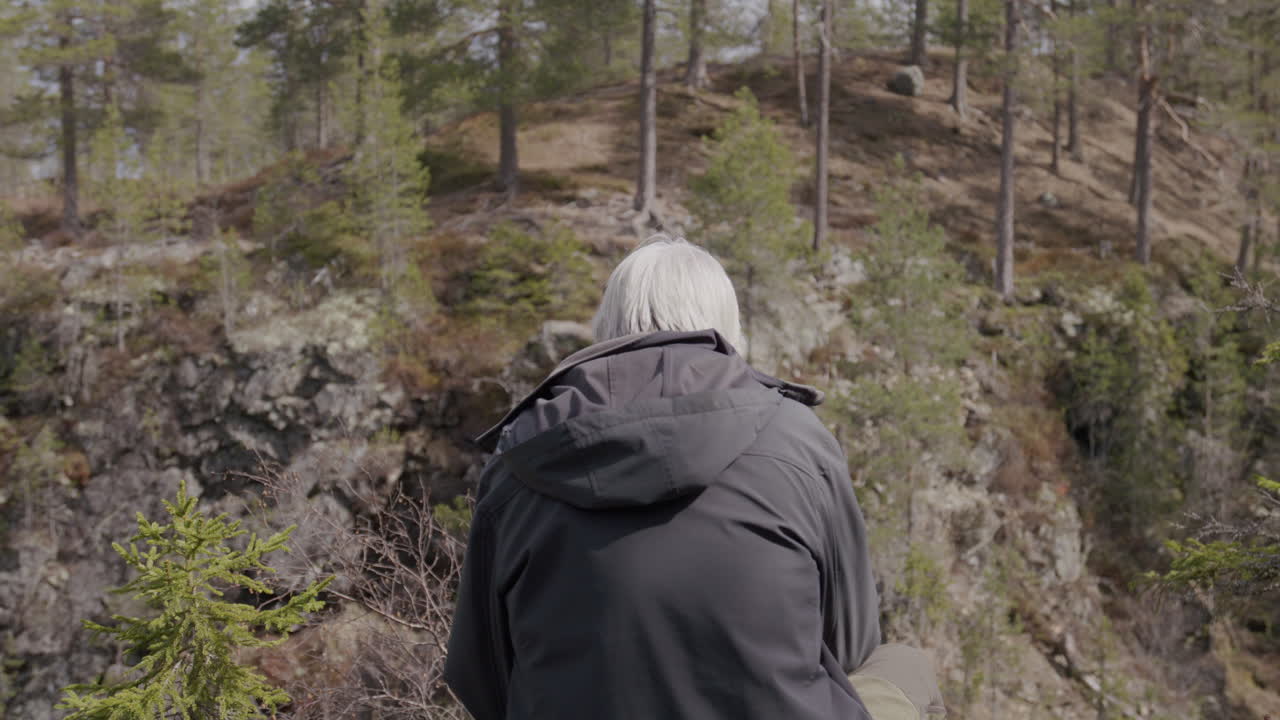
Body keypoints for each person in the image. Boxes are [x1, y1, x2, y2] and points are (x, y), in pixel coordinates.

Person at [445, 236, 944, 719]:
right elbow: (852, 644)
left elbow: (482, 679)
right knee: (906, 668)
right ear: (729, 328)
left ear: (606, 328)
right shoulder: (797, 440)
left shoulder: (518, 461)